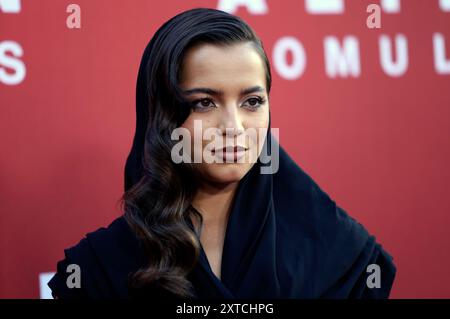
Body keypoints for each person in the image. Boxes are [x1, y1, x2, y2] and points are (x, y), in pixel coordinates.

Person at [47, 7, 396, 299]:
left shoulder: (341, 254)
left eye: (252, 102)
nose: (234, 126)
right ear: (162, 116)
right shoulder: (99, 269)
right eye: (204, 102)